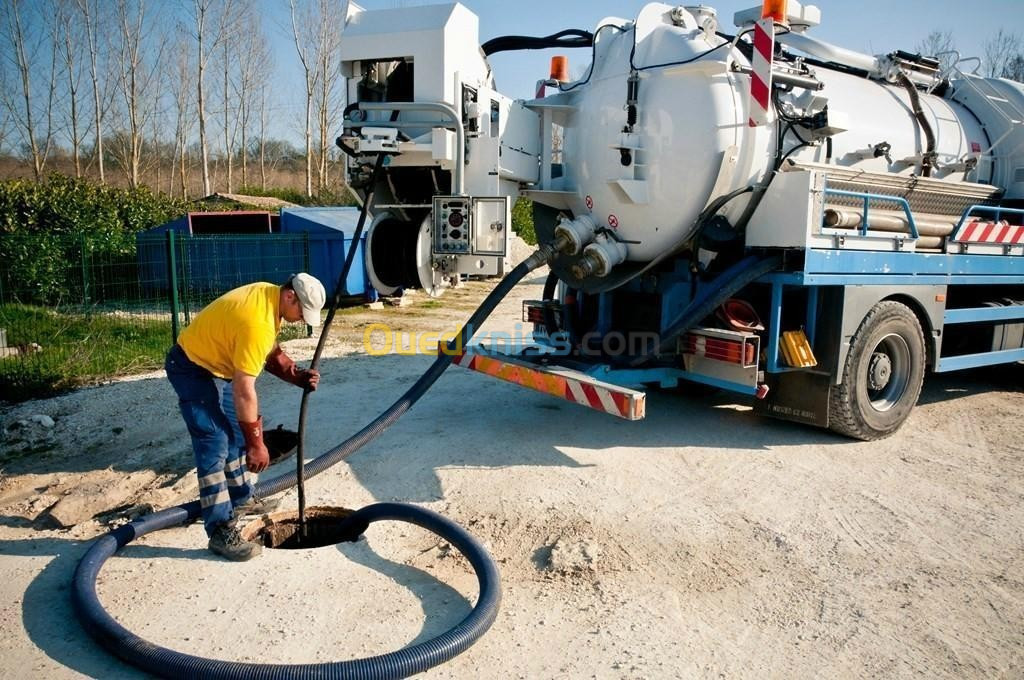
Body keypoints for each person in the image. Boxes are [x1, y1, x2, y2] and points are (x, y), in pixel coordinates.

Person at [164, 273, 327, 561]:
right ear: (290, 296)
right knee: (215, 441)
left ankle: (240, 498)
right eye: (302, 312)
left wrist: (295, 375)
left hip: (218, 366)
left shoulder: (268, 296)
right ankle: (219, 530)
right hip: (191, 367)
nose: (302, 319)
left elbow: (269, 351)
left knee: (236, 435)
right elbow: (244, 390)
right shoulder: (257, 322)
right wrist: (257, 443)